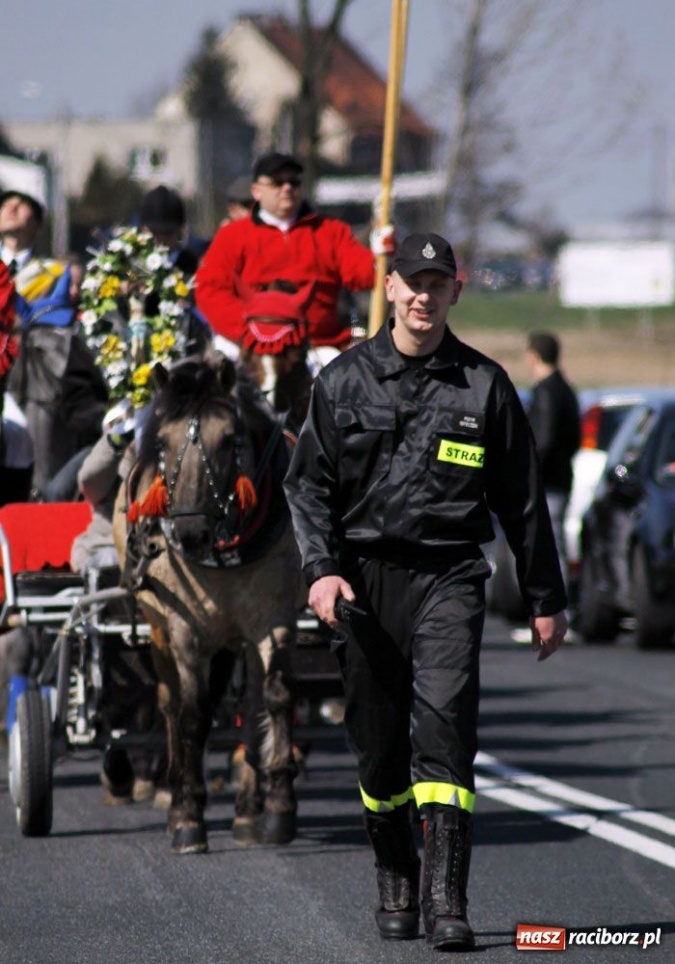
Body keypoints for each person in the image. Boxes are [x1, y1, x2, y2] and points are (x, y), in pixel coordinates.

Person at [283, 233, 568, 950]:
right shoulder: (343, 382)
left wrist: (545, 599)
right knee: (378, 752)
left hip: (448, 576)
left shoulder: (484, 385)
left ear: (453, 293)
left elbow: (523, 501)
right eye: (412, 281)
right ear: (389, 288)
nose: (422, 294)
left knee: (444, 731)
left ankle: (447, 899)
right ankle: (395, 874)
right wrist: (320, 572)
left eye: (437, 283)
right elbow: (307, 489)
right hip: (364, 584)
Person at [195, 151, 379, 364]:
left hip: (318, 346)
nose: (287, 189)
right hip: (250, 344)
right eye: (277, 183)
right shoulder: (233, 236)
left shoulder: (330, 231)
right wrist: (251, 330)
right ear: (256, 190)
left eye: (294, 182)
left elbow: (365, 275)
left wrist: (381, 254)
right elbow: (210, 290)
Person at [525, 331, 581, 584]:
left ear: (533, 357)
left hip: (548, 481)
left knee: (550, 543)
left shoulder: (546, 392)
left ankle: (559, 600)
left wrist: (528, 470)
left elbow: (543, 439)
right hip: (561, 476)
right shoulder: (566, 389)